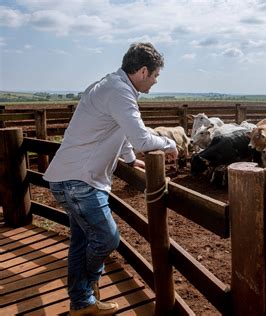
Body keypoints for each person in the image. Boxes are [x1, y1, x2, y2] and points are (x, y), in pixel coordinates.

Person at [43, 42, 178, 315]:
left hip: (68, 177)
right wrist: (169, 144)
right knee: (107, 239)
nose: (154, 82)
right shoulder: (119, 91)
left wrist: (128, 159)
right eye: (154, 76)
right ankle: (88, 284)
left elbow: (119, 130)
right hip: (80, 182)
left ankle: (81, 303)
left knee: (81, 241)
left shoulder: (108, 85)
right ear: (142, 71)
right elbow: (141, 137)